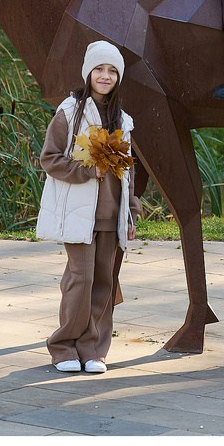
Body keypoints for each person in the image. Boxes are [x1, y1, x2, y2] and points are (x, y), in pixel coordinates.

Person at [36, 41, 135, 375]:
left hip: (111, 213)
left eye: (111, 71)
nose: (105, 76)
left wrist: (131, 209)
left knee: (104, 281)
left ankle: (93, 348)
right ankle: (63, 345)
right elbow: (49, 158)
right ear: (88, 73)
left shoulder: (123, 118)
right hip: (78, 213)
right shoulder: (69, 111)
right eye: (99, 69)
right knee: (81, 278)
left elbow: (127, 169)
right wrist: (84, 172)